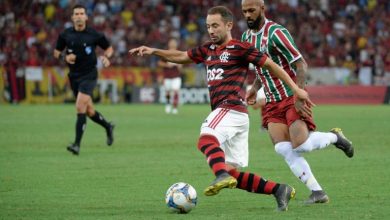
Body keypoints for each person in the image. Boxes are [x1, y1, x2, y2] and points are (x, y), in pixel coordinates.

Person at [130, 6, 314, 211]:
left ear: (229, 25)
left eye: (215, 25)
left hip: (231, 108)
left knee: (206, 138)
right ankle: (279, 190)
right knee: (232, 172)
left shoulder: (240, 48)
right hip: (235, 116)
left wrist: (297, 89)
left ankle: (220, 175)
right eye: (208, 26)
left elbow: (272, 65)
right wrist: (154, 51)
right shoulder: (207, 50)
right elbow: (181, 56)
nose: (211, 30)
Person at [242, 0, 354, 204]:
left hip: (290, 95)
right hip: (272, 101)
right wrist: (254, 88)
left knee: (301, 145)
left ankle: (335, 137)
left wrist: (299, 92)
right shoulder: (246, 37)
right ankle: (318, 192)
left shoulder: (276, 32)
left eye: (252, 10)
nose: (248, 15)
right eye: (244, 11)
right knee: (282, 148)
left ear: (262, 9)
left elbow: (300, 63)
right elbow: (263, 67)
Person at [53, 4, 115, 155]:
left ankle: (76, 145)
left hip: (89, 75)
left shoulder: (94, 34)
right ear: (73, 17)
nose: (79, 16)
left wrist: (106, 58)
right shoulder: (65, 35)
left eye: (82, 13)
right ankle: (108, 126)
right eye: (77, 13)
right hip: (74, 76)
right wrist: (64, 57)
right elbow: (56, 52)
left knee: (80, 106)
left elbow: (109, 48)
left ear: (86, 17)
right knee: (89, 110)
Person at [157, 38, 183, 114]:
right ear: (169, 44)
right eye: (171, 43)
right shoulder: (166, 52)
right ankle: (168, 104)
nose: (172, 44)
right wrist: (167, 65)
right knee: (168, 92)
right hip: (167, 76)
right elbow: (159, 63)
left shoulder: (179, 53)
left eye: (174, 43)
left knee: (176, 91)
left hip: (176, 76)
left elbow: (182, 64)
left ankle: (175, 108)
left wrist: (179, 65)